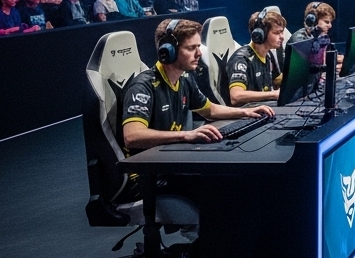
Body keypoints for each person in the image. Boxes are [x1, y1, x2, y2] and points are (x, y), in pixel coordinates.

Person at [120, 19, 274, 151]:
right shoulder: (143, 86)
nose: (199, 53)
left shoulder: (185, 79)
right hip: (148, 168)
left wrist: (246, 112)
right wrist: (186, 135)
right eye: (191, 48)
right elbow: (132, 136)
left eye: (198, 46)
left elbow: (210, 110)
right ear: (168, 51)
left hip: (171, 157)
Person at [227, 9, 288, 106]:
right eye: (277, 33)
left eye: (282, 32)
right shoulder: (241, 59)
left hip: (265, 107)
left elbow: (278, 80)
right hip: (248, 111)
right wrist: (273, 94)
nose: (282, 37)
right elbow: (236, 96)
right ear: (261, 34)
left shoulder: (268, 54)